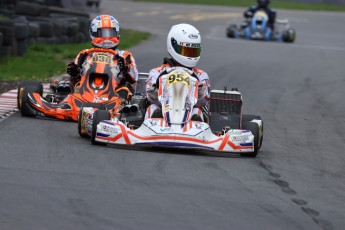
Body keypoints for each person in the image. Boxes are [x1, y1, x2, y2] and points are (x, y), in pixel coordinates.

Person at [52, 15, 138, 99]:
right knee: (72, 84)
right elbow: (77, 76)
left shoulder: (124, 55)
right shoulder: (85, 54)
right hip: (85, 91)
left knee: (125, 90)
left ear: (117, 34)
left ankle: (118, 108)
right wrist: (75, 72)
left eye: (110, 33)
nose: (106, 38)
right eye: (102, 34)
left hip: (114, 92)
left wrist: (126, 67)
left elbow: (134, 78)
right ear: (93, 33)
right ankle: (67, 102)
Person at [145, 23, 210, 122]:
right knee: (152, 108)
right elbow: (150, 97)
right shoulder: (157, 72)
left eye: (193, 52)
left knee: (197, 111)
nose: (190, 55)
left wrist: (199, 92)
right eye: (186, 50)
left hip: (188, 117)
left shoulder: (201, 75)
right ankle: (152, 128)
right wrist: (156, 90)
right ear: (173, 45)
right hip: (163, 115)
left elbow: (204, 101)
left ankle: (195, 127)